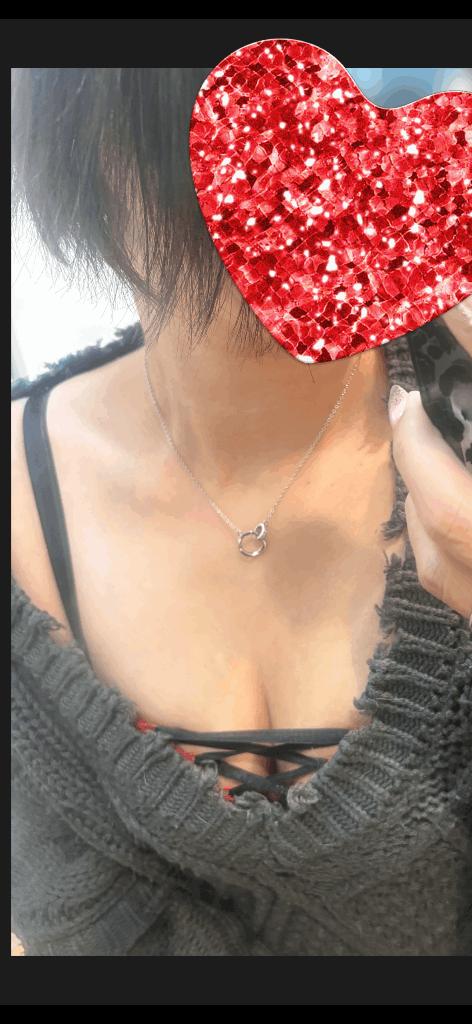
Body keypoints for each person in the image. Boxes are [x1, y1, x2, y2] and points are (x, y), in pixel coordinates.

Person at [11, 68, 472, 956]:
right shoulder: (25, 495)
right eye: (227, 141)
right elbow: (79, 918)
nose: (287, 205)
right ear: (85, 138)